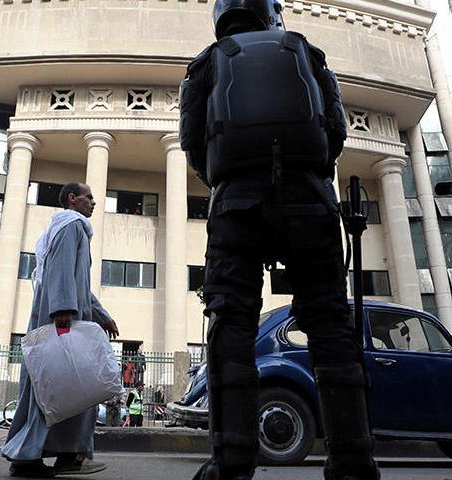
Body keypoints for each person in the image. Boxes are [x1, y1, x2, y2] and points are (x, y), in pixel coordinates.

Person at [179, 1, 379, 479]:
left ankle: (231, 462)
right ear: (269, 12)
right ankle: (353, 462)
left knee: (231, 325)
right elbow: (335, 132)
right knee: (331, 327)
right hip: (310, 202)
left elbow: (191, 141)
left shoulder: (207, 62)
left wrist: (227, 182)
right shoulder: (306, 52)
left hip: (235, 208)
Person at [2, 183, 120, 478]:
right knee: (54, 387)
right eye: (88, 197)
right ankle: (28, 458)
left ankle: (70, 456)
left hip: (65, 312)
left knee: (70, 388)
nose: (94, 202)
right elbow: (61, 270)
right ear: (72, 199)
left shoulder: (70, 228)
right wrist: (63, 309)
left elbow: (78, 281)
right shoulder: (71, 225)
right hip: (61, 318)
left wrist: (101, 315)